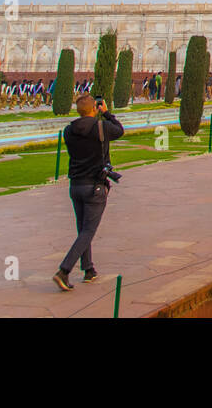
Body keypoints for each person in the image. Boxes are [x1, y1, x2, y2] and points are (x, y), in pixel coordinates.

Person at [53, 93, 124, 292]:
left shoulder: (69, 131)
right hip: (95, 186)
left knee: (83, 229)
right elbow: (120, 130)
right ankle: (63, 271)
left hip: (75, 185)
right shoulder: (101, 127)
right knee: (88, 231)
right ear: (95, 108)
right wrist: (107, 114)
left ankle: (88, 269)